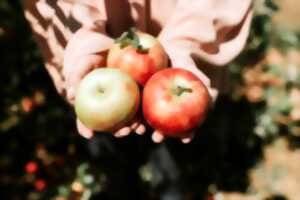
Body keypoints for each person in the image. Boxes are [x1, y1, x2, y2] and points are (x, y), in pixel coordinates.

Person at [23, 0, 253, 143]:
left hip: (183, 62)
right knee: (110, 157)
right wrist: (83, 37)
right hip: (98, 82)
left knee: (173, 167)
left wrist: (186, 41)